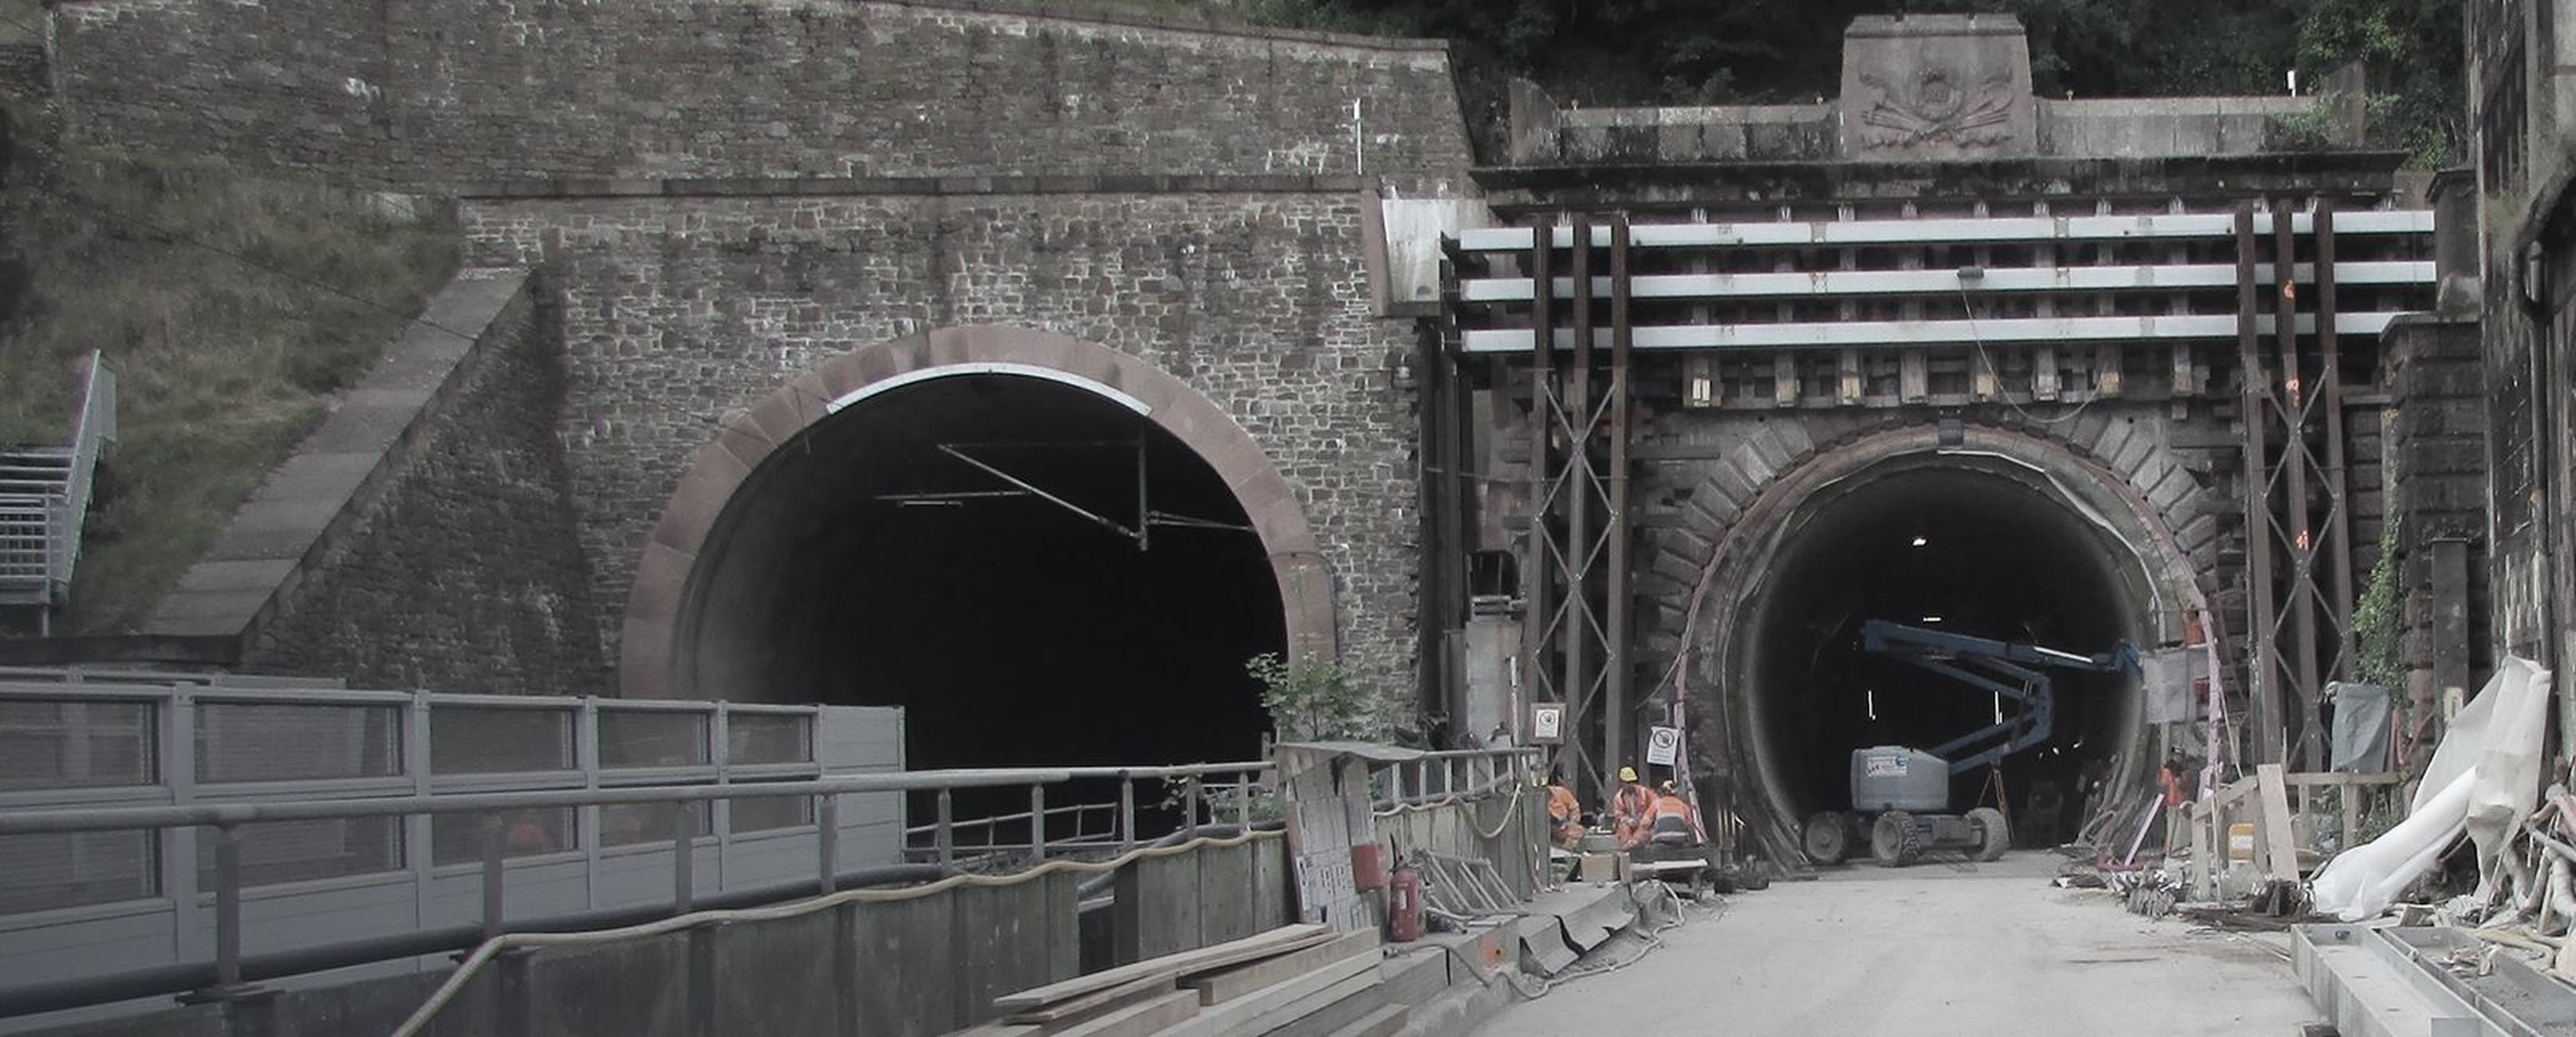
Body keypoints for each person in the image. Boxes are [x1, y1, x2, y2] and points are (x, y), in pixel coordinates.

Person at [1633, 780, 1707, 849]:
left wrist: (1635, 840)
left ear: (1663, 792)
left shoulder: (1657, 804)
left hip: (1661, 843)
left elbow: (1644, 825)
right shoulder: (1683, 806)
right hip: (1680, 843)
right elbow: (1690, 826)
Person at [1611, 766, 1656, 849]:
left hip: (1645, 824)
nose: (1630, 785)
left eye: (1632, 782)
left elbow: (1655, 806)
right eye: (1628, 782)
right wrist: (1628, 820)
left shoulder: (1645, 792)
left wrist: (1647, 819)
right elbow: (1619, 815)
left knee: (1642, 833)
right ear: (1622, 783)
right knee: (1624, 828)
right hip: (1630, 824)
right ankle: (1627, 849)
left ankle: (1636, 845)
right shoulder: (1619, 797)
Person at [1541, 771, 1584, 850]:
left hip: (1564, 827)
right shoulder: (1535, 801)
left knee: (1577, 831)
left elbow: (1574, 808)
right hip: (1545, 831)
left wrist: (1572, 822)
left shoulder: (1561, 792)